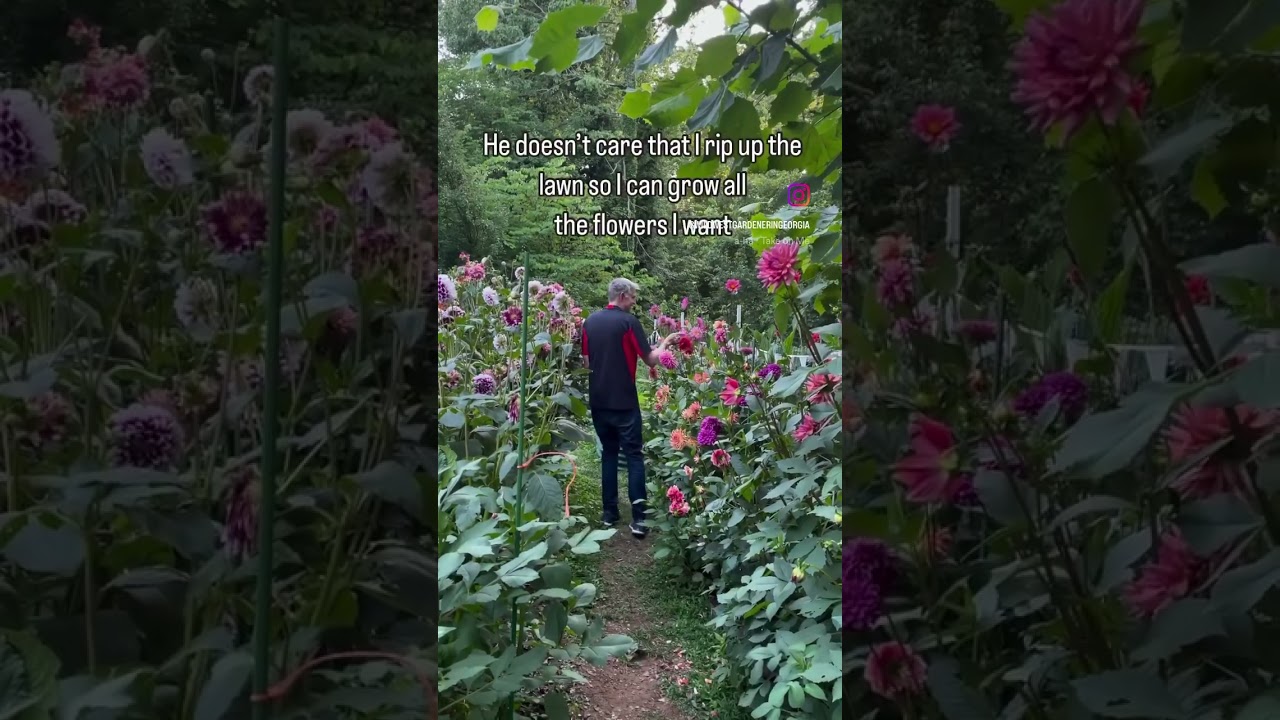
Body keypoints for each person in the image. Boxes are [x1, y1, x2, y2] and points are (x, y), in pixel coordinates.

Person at [580, 277, 675, 538]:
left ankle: (609, 514)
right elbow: (651, 360)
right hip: (624, 402)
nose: (634, 301)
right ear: (622, 296)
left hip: (598, 401)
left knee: (609, 455)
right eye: (633, 296)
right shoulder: (628, 323)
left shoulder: (589, 323)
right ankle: (639, 519)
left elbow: (586, 362)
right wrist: (665, 344)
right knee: (634, 456)